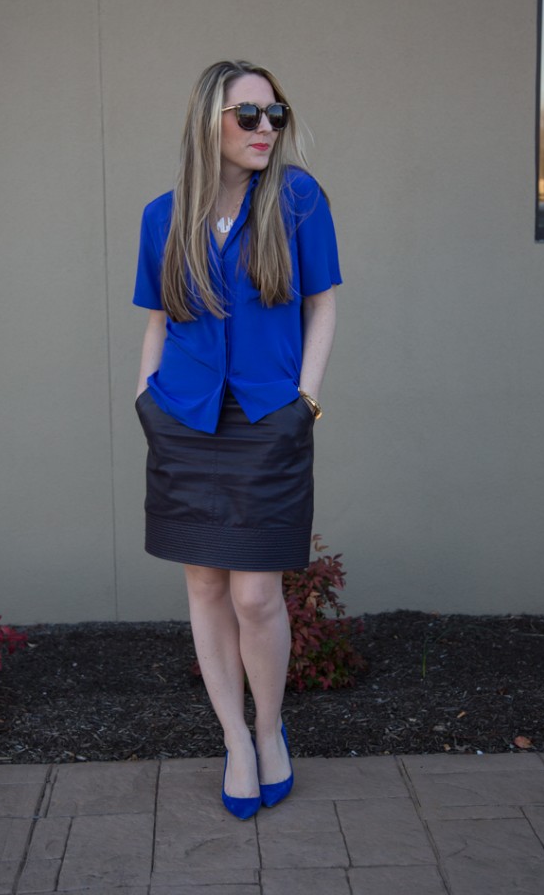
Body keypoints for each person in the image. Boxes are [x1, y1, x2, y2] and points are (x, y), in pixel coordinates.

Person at [133, 59, 341, 820]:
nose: (265, 129)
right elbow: (156, 319)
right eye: (247, 115)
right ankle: (236, 742)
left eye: (273, 114)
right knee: (203, 587)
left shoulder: (296, 200)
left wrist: (306, 400)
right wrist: (144, 396)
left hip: (267, 421)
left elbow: (322, 307)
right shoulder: (164, 216)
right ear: (208, 122)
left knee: (257, 595)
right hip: (184, 420)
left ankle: (268, 726)